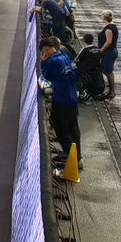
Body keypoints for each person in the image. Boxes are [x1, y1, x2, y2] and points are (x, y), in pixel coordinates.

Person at [40, 36, 82, 170]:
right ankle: (78, 157)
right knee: (74, 129)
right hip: (72, 98)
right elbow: (75, 71)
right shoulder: (64, 56)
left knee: (62, 131)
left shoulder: (52, 61)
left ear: (46, 50)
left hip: (61, 100)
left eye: (43, 52)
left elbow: (46, 77)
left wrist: (43, 62)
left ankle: (71, 161)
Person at [99, 10, 119, 100]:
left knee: (108, 71)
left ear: (104, 17)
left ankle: (112, 91)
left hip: (109, 52)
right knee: (106, 70)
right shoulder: (112, 26)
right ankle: (111, 89)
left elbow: (109, 41)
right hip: (111, 51)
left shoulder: (108, 29)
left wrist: (101, 50)